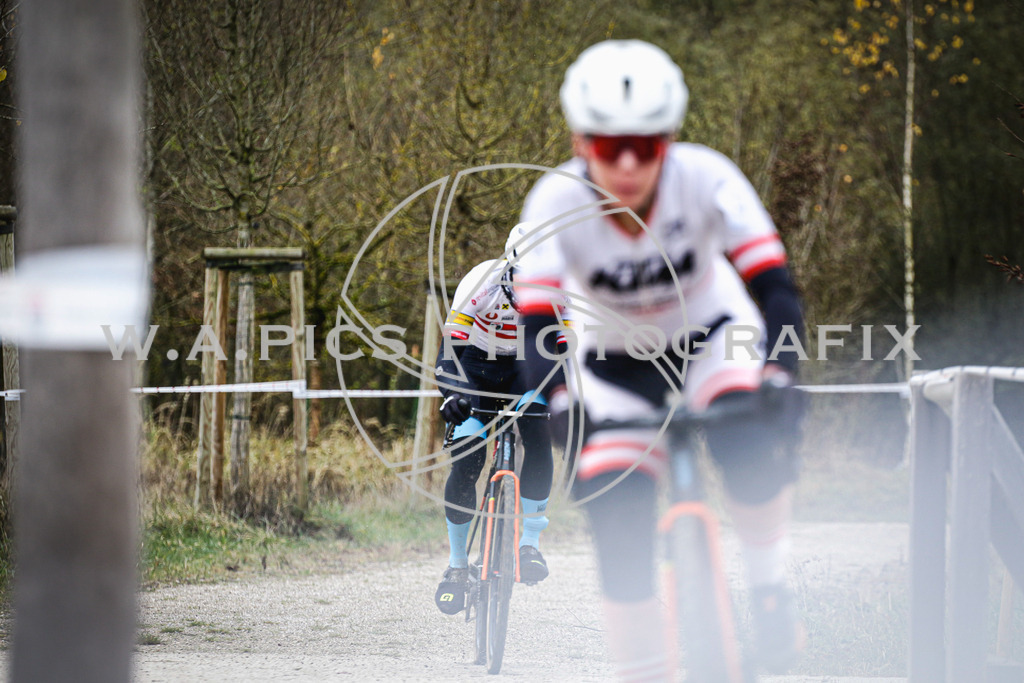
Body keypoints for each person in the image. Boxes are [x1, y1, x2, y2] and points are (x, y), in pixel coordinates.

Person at [513, 40, 807, 678]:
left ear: (669, 139)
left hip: (712, 337)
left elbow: (775, 288)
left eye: (644, 146)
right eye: (606, 145)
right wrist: (558, 403)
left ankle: (769, 589)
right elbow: (537, 327)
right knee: (613, 510)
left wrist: (783, 373)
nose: (626, 163)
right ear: (578, 142)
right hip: (613, 364)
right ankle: (642, 667)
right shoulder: (553, 204)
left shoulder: (707, 177)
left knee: (749, 437)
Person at [433, 223, 558, 615]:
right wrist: (453, 394)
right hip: (477, 367)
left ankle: (530, 545)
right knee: (467, 453)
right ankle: (457, 566)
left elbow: (567, 356)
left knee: (538, 429)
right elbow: (450, 352)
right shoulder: (480, 283)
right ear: (509, 267)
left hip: (529, 365)